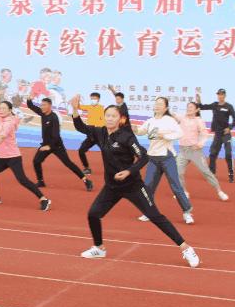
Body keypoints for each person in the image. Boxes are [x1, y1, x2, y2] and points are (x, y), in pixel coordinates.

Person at [69, 95, 199, 268]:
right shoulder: (100, 132)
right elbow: (81, 127)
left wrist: (129, 171)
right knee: (93, 214)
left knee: (155, 216)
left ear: (120, 119)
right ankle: (99, 248)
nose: (110, 118)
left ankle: (186, 248)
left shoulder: (126, 136)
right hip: (112, 186)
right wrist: (75, 109)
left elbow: (144, 156)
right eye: (107, 116)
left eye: (113, 116)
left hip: (133, 186)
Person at [132, 97, 195, 225]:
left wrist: (164, 136)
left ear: (166, 108)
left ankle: (187, 212)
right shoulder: (149, 121)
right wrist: (135, 129)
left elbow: (179, 133)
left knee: (175, 186)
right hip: (153, 158)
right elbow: (141, 131)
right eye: (156, 103)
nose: (157, 105)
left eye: (160, 104)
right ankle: (148, 212)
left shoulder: (170, 121)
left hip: (167, 157)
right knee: (148, 186)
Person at [0, 97, 51, 210]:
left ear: (10, 110)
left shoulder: (9, 122)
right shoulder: (0, 118)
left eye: (4, 108)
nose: (1, 110)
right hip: (2, 157)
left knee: (22, 180)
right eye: (1, 108)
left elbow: (2, 137)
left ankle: (44, 199)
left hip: (13, 157)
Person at [26, 96, 92, 191]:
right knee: (36, 161)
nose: (42, 107)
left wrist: (49, 146)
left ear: (50, 106)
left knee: (68, 163)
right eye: (41, 105)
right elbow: (31, 106)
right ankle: (41, 181)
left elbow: (56, 135)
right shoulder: (42, 113)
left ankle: (86, 181)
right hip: (45, 145)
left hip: (57, 145)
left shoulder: (54, 118)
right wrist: (29, 99)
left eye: (44, 105)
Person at [177, 101, 229, 201]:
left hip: (195, 151)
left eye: (191, 107)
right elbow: (173, 115)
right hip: (183, 150)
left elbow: (204, 133)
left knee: (206, 171)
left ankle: (219, 191)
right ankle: (184, 191)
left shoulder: (198, 120)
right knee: (178, 172)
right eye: (188, 107)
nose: (189, 109)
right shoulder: (181, 118)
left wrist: (200, 144)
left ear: (197, 110)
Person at [196, 88, 235, 182]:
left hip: (226, 134)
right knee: (213, 154)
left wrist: (229, 128)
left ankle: (231, 174)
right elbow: (202, 107)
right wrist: (199, 101)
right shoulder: (214, 105)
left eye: (222, 94)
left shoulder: (229, 106)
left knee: (228, 154)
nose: (220, 96)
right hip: (217, 134)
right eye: (219, 94)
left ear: (225, 96)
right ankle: (212, 174)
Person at [76, 92, 105, 175]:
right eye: (91, 98)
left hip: (100, 134)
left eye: (94, 98)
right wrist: (78, 99)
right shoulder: (89, 107)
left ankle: (114, 169)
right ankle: (87, 168)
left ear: (98, 99)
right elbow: (78, 107)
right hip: (91, 134)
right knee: (81, 150)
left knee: (107, 152)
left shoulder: (102, 108)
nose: (93, 100)